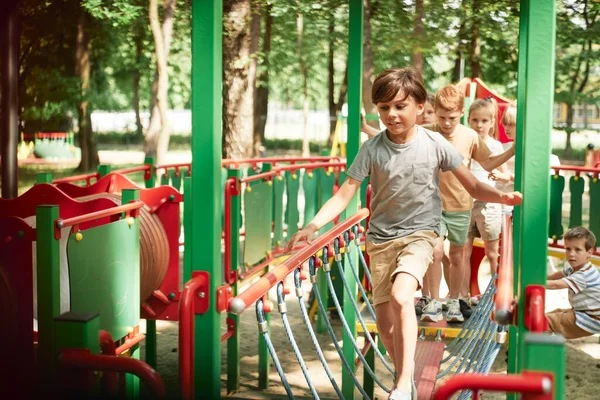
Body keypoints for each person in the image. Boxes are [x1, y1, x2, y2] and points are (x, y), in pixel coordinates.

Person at [285, 67, 522, 400]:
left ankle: (401, 384)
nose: (391, 115)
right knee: (384, 325)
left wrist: (501, 197)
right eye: (384, 108)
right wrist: (311, 226)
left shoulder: (435, 142)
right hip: (381, 240)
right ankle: (406, 376)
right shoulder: (373, 149)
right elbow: (345, 193)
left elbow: (472, 184)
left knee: (401, 296)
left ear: (420, 107)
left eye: (400, 106)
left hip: (422, 233)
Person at [419, 86, 516, 323]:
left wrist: (513, 148)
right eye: (441, 117)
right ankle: (433, 300)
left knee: (458, 255)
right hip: (432, 205)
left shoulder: (469, 136)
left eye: (451, 118)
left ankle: (454, 300)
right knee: (435, 250)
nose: (446, 123)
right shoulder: (427, 132)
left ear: (461, 113)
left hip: (462, 204)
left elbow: (489, 163)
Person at [463, 98, 509, 305]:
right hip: (465, 202)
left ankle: (495, 293)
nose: (479, 125)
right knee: (463, 251)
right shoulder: (465, 141)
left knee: (492, 251)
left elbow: (504, 173)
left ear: (492, 122)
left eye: (484, 121)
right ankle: (462, 294)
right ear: (468, 120)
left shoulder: (494, 145)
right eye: (474, 120)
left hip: (488, 203)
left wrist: (500, 177)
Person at [545, 227, 600, 339]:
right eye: (568, 249)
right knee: (552, 314)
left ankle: (542, 349)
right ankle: (543, 339)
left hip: (591, 319)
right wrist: (541, 278)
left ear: (589, 253)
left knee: (545, 321)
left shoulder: (583, 274)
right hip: (583, 313)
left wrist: (532, 283)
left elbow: (557, 284)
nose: (571, 254)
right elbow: (558, 275)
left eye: (577, 250)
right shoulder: (576, 268)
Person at [361, 93, 435, 137]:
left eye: (430, 112)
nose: (425, 117)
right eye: (422, 113)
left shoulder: (440, 136)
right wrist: (366, 128)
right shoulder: (405, 133)